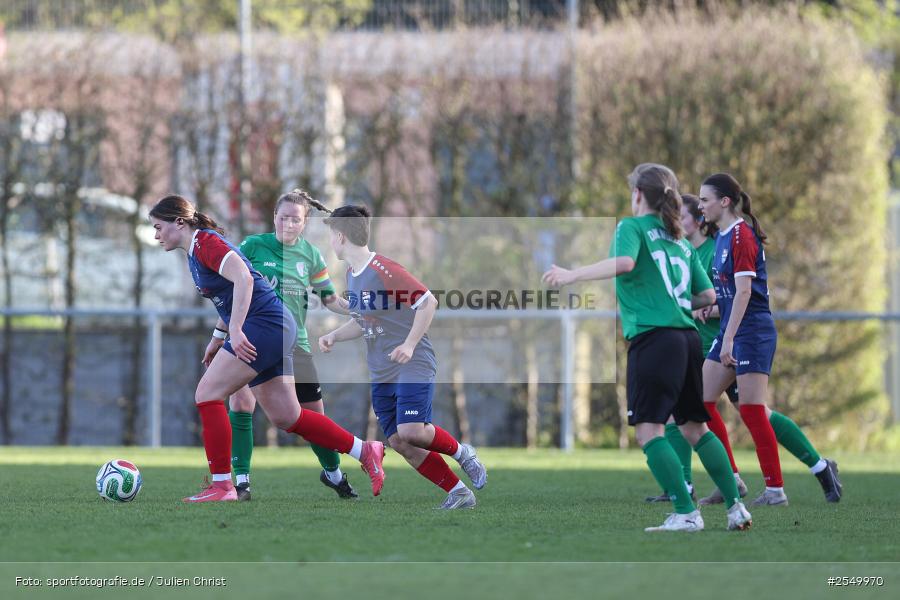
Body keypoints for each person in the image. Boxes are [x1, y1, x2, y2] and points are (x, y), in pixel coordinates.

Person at [543, 163, 752, 532]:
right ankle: (736, 508)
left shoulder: (632, 226)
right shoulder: (679, 239)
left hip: (655, 340)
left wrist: (571, 275)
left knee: (649, 432)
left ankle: (686, 512)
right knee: (695, 428)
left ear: (638, 194)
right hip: (688, 340)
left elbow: (625, 263)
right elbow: (705, 294)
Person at [149, 194, 385, 502]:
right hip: (273, 326)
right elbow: (229, 296)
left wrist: (234, 330)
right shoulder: (198, 249)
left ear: (179, 222)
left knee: (207, 394)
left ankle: (223, 486)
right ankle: (365, 450)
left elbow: (244, 279)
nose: (155, 235)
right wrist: (218, 338)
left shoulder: (205, 242)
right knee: (287, 416)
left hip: (265, 326)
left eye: (158, 227)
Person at [318, 205, 487, 510]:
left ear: (340, 237)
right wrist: (334, 335)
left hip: (412, 361)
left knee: (413, 431)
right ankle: (459, 492)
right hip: (382, 370)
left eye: (331, 235)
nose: (330, 241)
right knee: (399, 441)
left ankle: (463, 453)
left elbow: (428, 302)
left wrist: (409, 344)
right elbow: (361, 318)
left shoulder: (384, 269)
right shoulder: (352, 274)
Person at [697, 173, 842, 505]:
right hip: (732, 329)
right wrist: (715, 310)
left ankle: (775, 490)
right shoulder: (721, 237)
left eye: (704, 200)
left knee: (751, 409)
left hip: (752, 333)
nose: (701, 205)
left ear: (724, 202)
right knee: (700, 402)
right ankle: (731, 478)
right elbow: (734, 294)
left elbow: (747, 292)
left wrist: (730, 338)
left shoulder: (740, 237)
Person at [228, 189, 356, 501]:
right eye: (283, 217)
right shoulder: (253, 246)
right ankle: (241, 481)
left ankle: (335, 475)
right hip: (252, 340)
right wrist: (224, 333)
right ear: (274, 218)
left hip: (294, 343)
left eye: (295, 219)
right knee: (242, 404)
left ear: (305, 222)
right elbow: (234, 287)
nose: (288, 224)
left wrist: (357, 309)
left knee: (313, 417)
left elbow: (328, 299)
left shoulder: (311, 255)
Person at [644, 195, 749, 504]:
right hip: (697, 345)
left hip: (721, 346)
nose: (676, 219)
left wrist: (711, 309)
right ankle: (701, 484)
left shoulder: (714, 250)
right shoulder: (683, 249)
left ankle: (813, 468)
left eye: (684, 214)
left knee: (754, 414)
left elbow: (731, 295)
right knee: (689, 416)